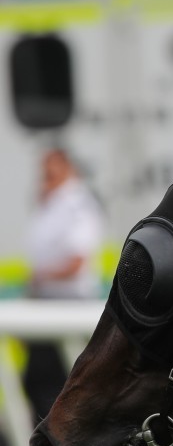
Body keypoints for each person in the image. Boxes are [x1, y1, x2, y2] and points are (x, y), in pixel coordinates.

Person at [22, 147, 104, 422]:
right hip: (48, 304)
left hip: (66, 304)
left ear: (67, 167)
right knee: (39, 381)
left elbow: (76, 261)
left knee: (52, 383)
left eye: (50, 170)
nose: (45, 176)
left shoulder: (75, 203)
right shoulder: (54, 202)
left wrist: (41, 277)